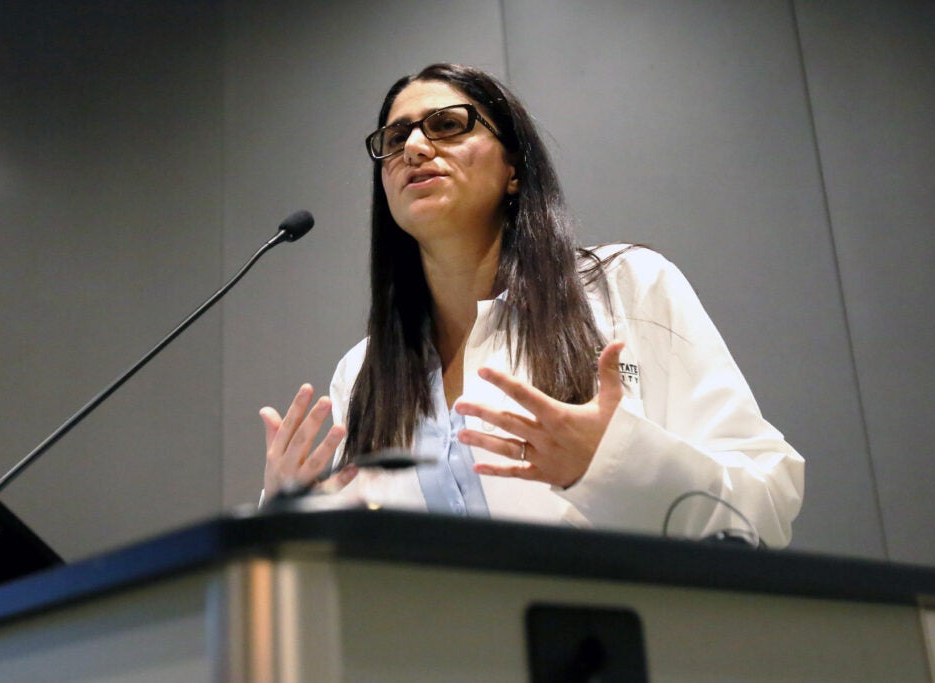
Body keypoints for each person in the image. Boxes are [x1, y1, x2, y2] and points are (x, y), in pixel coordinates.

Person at [259, 63, 804, 547]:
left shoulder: (626, 286)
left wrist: (615, 466)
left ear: (513, 166)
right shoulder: (361, 373)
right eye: (396, 137)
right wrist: (291, 519)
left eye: (447, 125)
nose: (416, 148)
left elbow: (766, 503)